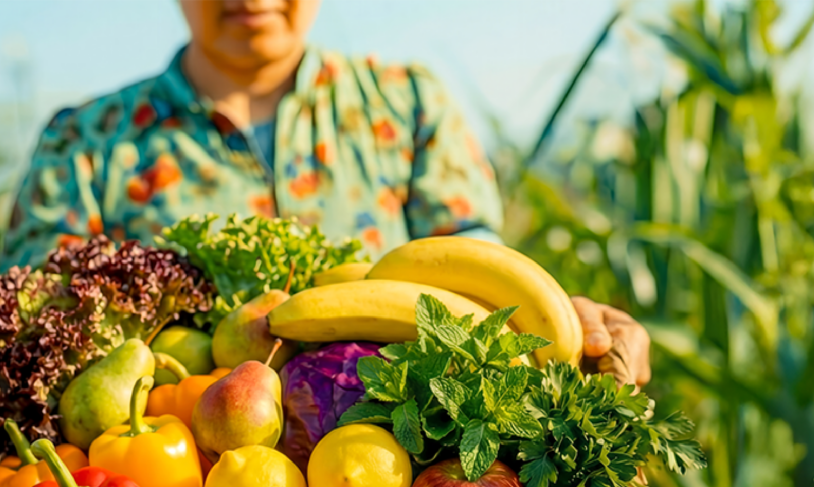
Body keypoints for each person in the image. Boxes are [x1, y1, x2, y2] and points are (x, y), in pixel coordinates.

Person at [1, 0, 651, 386]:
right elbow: (34, 330)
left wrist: (564, 322)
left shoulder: (406, 104)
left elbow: (480, 267)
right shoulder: (87, 142)